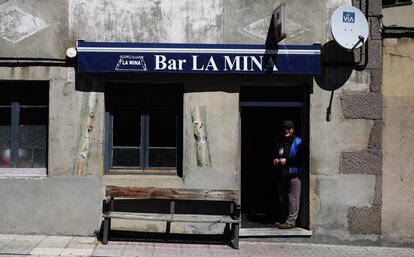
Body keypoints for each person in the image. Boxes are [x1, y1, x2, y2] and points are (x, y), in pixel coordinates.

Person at [272, 120, 303, 229]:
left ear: (293, 129)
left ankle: (291, 221)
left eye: (289, 128)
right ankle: (285, 220)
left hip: (294, 175)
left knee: (293, 199)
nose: (286, 130)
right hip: (281, 175)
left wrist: (287, 161)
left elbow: (301, 159)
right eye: (284, 128)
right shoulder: (279, 141)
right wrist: (275, 159)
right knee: (283, 199)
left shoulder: (298, 141)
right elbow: (274, 153)